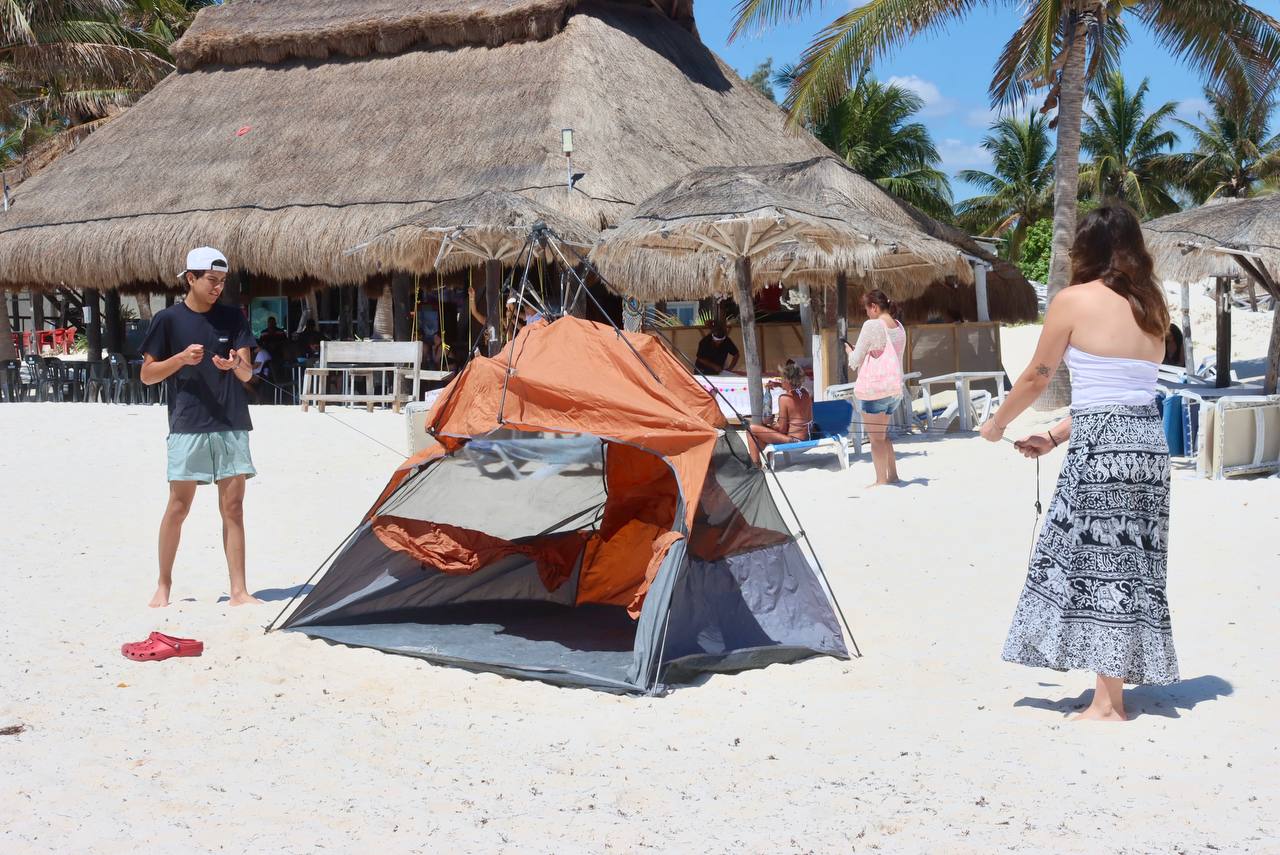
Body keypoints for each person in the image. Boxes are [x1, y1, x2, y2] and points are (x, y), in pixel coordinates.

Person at [979, 204, 1178, 722]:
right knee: (1130, 562)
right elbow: (1123, 396)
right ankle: (1110, 691)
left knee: (1099, 563)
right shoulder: (1152, 307)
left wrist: (997, 423)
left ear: (1086, 247)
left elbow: (1036, 376)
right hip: (1146, 444)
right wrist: (1053, 435)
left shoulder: (1073, 300)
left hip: (1103, 449)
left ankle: (1109, 705)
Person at [139, 247, 262, 608]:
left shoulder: (233, 317)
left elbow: (248, 374)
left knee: (233, 508)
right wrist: (179, 359)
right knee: (178, 507)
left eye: (222, 281)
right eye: (211, 280)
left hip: (230, 421)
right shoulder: (167, 319)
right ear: (190, 278)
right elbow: (147, 375)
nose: (217, 288)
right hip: (188, 423)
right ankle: (163, 584)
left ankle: (239, 591)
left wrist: (234, 365)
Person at [845, 290, 906, 487]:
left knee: (875, 439)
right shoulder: (898, 326)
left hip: (876, 390)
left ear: (874, 307)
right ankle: (892, 475)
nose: (867, 314)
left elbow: (855, 361)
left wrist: (850, 352)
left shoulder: (872, 325)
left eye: (867, 309)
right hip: (894, 389)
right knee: (883, 435)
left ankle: (881, 480)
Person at [745, 361, 813, 467]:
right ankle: (757, 465)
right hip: (807, 438)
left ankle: (755, 467)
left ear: (788, 380)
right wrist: (778, 385)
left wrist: (770, 424)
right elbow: (793, 390)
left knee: (751, 429)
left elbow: (782, 429)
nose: (780, 380)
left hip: (795, 441)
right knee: (759, 436)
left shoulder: (784, 398)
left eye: (782, 379)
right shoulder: (805, 393)